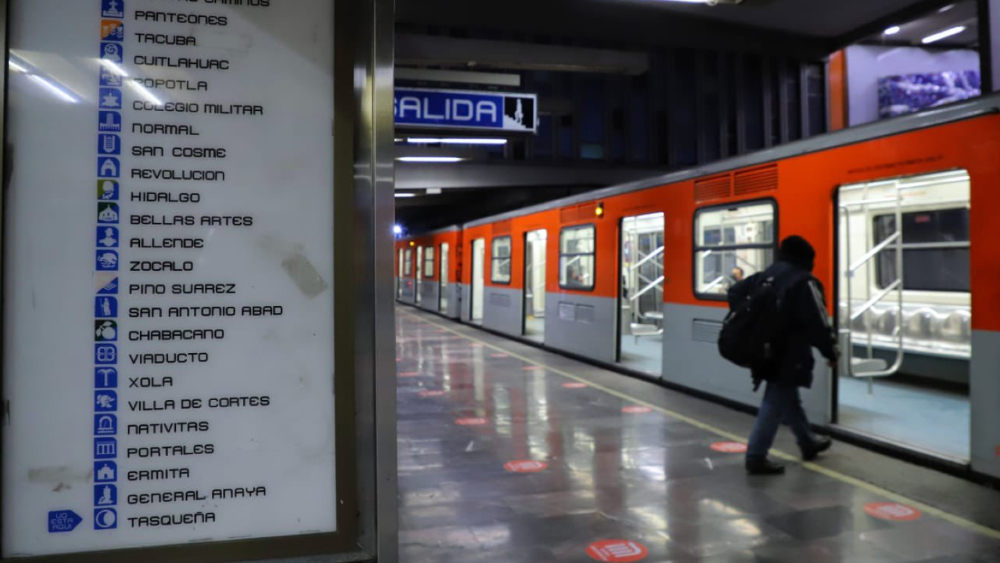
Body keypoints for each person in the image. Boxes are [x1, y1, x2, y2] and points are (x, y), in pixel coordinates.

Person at [727, 235, 838, 475]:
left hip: (764, 349)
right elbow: (817, 322)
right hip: (790, 353)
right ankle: (756, 455)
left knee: (787, 396)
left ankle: (807, 442)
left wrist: (757, 325)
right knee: (776, 400)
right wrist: (831, 351)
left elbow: (735, 292)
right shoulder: (803, 281)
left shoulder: (765, 276)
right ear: (806, 259)